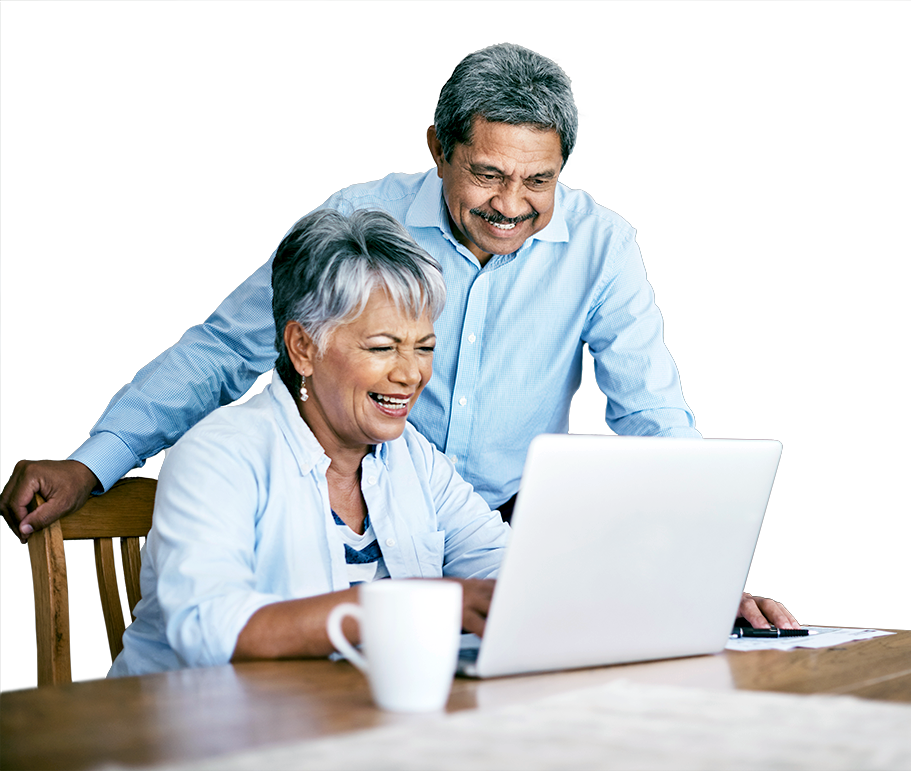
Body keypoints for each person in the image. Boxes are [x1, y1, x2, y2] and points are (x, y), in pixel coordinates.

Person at [2, 43, 795, 630]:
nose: (511, 204)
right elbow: (225, 349)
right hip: (347, 531)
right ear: (437, 149)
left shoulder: (601, 245)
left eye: (539, 181)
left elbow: (653, 419)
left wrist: (695, 585)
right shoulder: (361, 220)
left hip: (474, 529)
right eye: (486, 173)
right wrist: (95, 461)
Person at [109, 209, 509, 676]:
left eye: (424, 347)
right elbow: (208, 630)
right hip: (197, 736)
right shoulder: (219, 453)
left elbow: (506, 571)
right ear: (303, 347)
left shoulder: (413, 457)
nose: (411, 374)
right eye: (382, 347)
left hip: (348, 727)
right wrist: (403, 606)